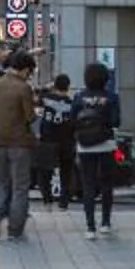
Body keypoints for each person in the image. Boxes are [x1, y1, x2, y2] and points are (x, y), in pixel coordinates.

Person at [0, 50, 40, 240]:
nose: (29, 76)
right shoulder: (23, 88)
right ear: (25, 70)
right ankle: (15, 229)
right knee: (20, 186)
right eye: (29, 72)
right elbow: (30, 117)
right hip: (18, 142)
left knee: (0, 182)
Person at [73, 63, 123, 236]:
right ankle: (105, 223)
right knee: (107, 184)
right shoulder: (112, 97)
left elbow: (73, 120)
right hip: (106, 145)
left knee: (88, 185)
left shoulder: (79, 97)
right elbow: (116, 122)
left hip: (85, 146)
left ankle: (90, 227)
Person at [38, 74, 79, 208]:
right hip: (67, 141)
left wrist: (46, 87)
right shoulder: (71, 104)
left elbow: (36, 93)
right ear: (68, 87)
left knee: (45, 171)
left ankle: (47, 199)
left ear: (54, 85)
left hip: (48, 140)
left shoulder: (46, 99)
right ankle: (64, 202)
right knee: (66, 172)